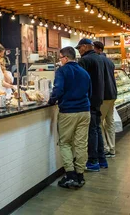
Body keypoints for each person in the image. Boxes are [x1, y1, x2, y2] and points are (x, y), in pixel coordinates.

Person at [49, 47, 91, 188]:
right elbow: (89, 91)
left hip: (68, 111)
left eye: (60, 58)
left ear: (65, 58)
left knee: (65, 143)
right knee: (81, 144)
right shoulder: (84, 72)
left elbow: (58, 89)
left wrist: (51, 100)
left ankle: (70, 175)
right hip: (85, 111)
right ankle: (80, 175)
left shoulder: (62, 71)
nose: (59, 61)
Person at [76, 38, 107, 172]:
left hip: (89, 98)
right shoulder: (99, 58)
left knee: (91, 130)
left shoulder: (84, 60)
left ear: (84, 47)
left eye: (79, 48)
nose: (79, 51)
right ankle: (102, 159)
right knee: (97, 128)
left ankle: (93, 161)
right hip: (99, 97)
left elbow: (80, 81)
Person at [93, 41, 118, 157]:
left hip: (103, 96)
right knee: (109, 122)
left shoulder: (98, 60)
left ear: (97, 49)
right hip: (112, 94)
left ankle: (105, 148)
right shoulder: (109, 61)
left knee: (98, 122)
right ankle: (112, 148)